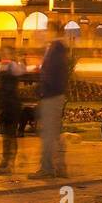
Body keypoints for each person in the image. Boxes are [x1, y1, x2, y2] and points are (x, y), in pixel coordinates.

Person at [33, 27, 70, 179]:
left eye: (48, 29)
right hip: (55, 94)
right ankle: (60, 167)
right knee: (54, 132)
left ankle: (47, 168)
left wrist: (43, 90)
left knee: (49, 133)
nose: (45, 32)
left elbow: (51, 74)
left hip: (51, 96)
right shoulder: (58, 49)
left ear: (54, 32)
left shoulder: (56, 50)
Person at [0, 55, 23, 174]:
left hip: (9, 108)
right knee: (9, 136)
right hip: (10, 108)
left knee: (9, 136)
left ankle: (8, 164)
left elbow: (4, 94)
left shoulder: (7, 78)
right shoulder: (8, 77)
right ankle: (7, 163)